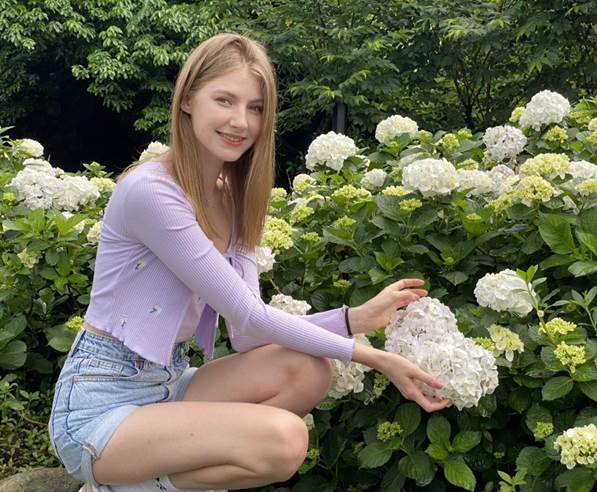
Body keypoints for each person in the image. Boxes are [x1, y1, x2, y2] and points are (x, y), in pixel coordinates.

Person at [48, 33, 451, 492]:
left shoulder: (230, 196)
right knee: (283, 440)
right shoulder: (152, 192)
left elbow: (247, 335)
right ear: (187, 101)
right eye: (225, 100)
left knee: (308, 369)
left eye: (255, 107)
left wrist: (355, 318)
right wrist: (376, 357)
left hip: (168, 384)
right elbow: (249, 314)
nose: (241, 121)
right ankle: (125, 484)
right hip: (100, 407)